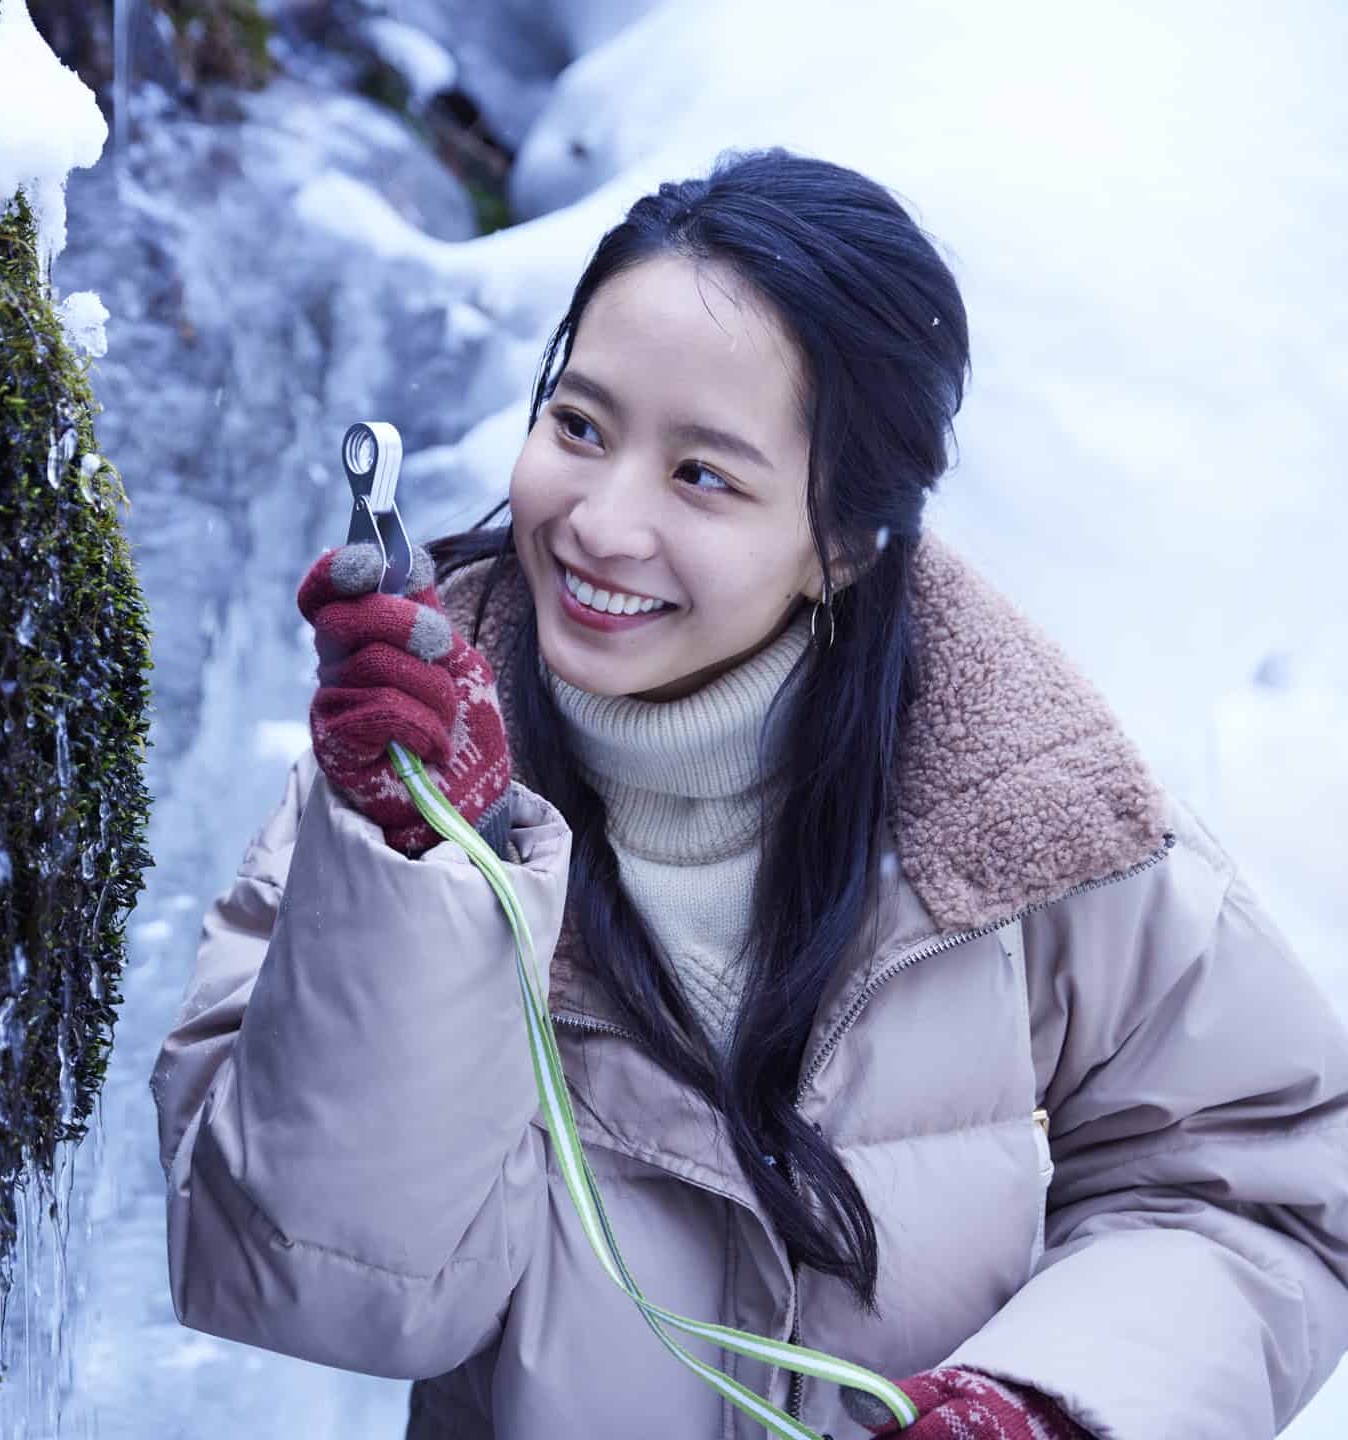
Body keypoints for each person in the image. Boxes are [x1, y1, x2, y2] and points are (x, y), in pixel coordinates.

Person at [152, 147, 1348, 1438]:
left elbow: (1264, 1191)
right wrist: (418, 869)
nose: (602, 522)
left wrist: (1048, 1406)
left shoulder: (1033, 819)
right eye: (580, 425)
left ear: (841, 542)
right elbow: (322, 1295)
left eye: (703, 475)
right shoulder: (388, 805)